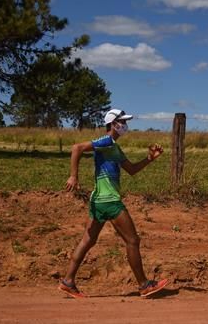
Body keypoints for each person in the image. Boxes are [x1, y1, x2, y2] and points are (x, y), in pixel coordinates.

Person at [59, 108, 168, 299]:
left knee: (88, 240)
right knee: (132, 240)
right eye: (122, 122)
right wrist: (73, 176)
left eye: (125, 122)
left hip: (98, 201)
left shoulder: (115, 148)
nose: (125, 125)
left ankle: (68, 281)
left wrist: (149, 159)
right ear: (113, 123)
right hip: (110, 201)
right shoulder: (107, 141)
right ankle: (144, 285)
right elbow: (76, 148)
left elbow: (132, 170)